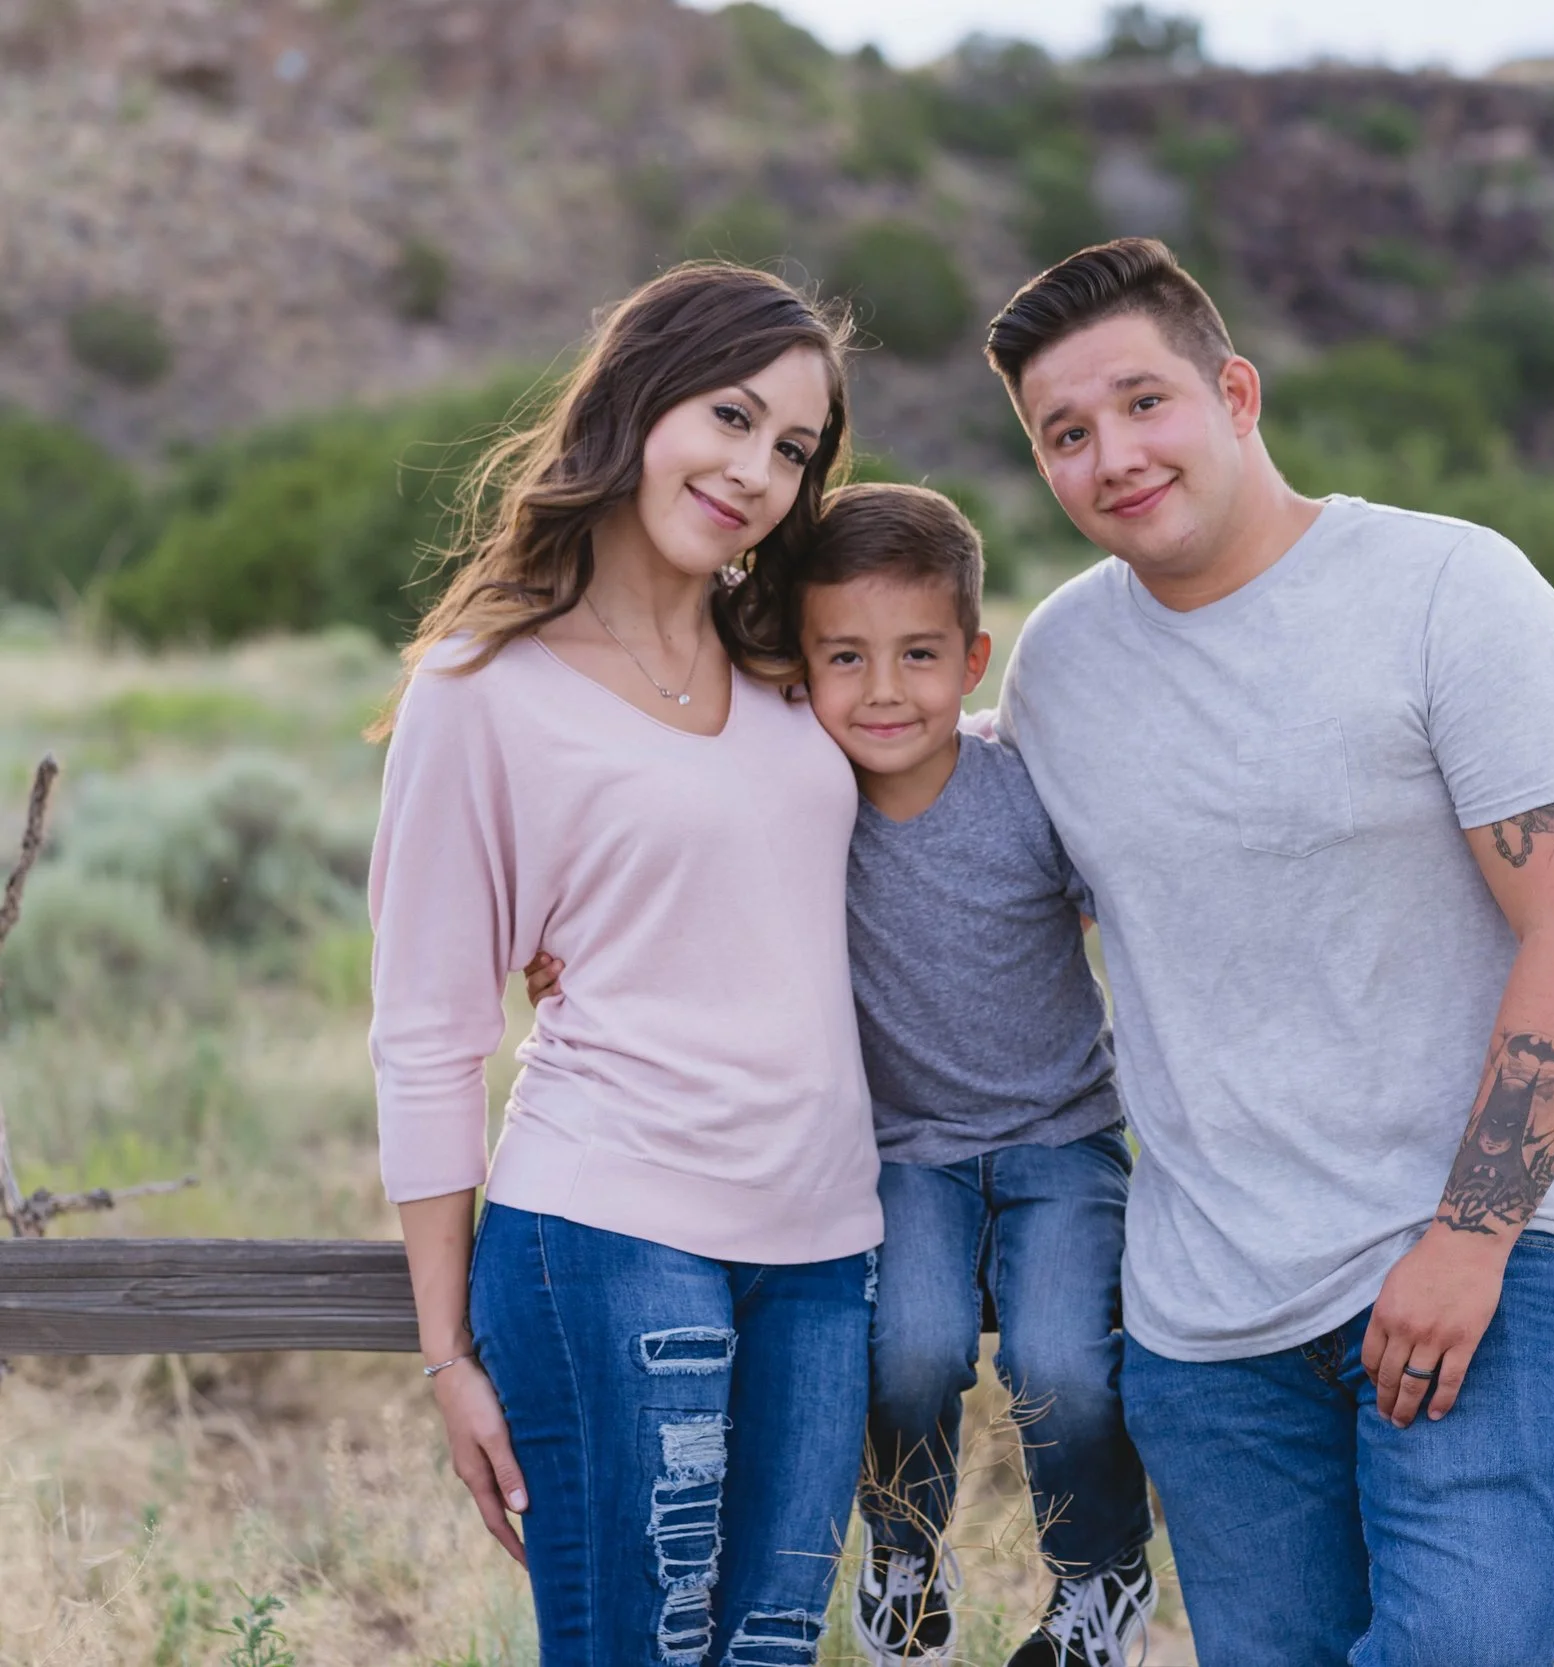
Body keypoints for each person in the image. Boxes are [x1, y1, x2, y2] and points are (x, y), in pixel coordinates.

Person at [984, 238, 1554, 1667]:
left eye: (1144, 402)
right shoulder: (1061, 664)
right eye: (1066, 434)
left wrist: (1469, 1239)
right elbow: (961, 868)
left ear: (1236, 390)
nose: (1114, 455)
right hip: (1206, 1320)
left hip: (1477, 1262)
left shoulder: (1450, 589)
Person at [525, 482, 1159, 1667]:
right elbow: (678, 885)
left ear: (972, 657)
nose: (883, 691)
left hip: (1063, 1135)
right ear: (797, 667)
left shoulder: (1027, 794)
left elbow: (1144, 907)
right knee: (909, 1346)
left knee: (1062, 1361)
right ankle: (905, 1556)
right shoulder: (797, 801)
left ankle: (1098, 1581)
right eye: (845, 657)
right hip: (903, 1149)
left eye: (919, 655)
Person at [368, 262, 878, 1667]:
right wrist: (447, 1351)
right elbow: (425, 1028)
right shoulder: (481, 690)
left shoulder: (795, 671)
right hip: (609, 1233)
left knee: (768, 1652)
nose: (756, 471)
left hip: (828, 1245)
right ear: (635, 399)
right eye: (729, 415)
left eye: (793, 448)